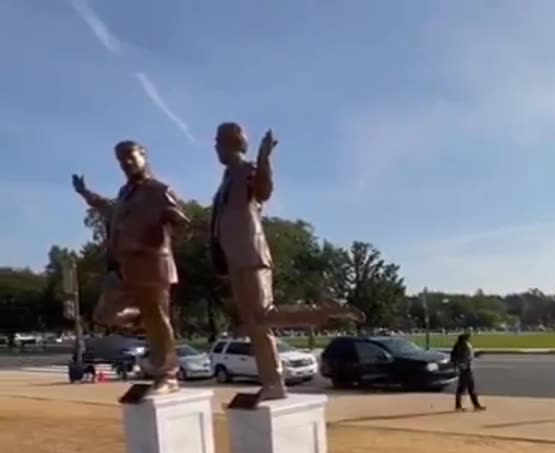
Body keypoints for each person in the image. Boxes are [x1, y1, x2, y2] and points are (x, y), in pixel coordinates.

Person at [210, 122, 361, 400]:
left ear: (233, 144)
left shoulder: (245, 170)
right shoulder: (226, 178)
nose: (215, 146)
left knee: (262, 316)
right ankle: (273, 383)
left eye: (219, 141)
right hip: (234, 257)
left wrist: (265, 159)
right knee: (255, 324)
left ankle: (320, 313)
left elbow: (263, 191)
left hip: (250, 253)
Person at [72, 141, 189, 394]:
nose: (125, 163)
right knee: (104, 314)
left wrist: (155, 241)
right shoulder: (126, 193)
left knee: (157, 317)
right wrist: (85, 193)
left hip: (153, 265)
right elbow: (108, 208)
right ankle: (144, 320)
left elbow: (180, 224)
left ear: (143, 156)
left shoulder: (159, 190)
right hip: (125, 267)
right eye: (120, 159)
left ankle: (168, 375)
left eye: (130, 157)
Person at [450, 333, 484, 412]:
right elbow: (465, 357)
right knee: (468, 387)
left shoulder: (461, 345)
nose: (469, 338)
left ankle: (460, 405)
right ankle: (474, 405)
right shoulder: (463, 346)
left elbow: (467, 356)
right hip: (466, 369)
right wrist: (463, 365)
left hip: (465, 369)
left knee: (465, 387)